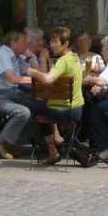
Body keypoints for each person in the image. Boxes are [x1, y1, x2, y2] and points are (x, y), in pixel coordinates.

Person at [25, 26, 84, 164]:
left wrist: (33, 72)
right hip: (77, 109)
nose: (51, 45)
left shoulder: (63, 61)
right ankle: (55, 138)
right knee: (41, 108)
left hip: (63, 111)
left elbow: (48, 79)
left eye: (55, 42)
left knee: (31, 106)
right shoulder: (74, 58)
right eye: (51, 42)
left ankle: (52, 149)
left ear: (66, 44)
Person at [0, 29, 38, 160]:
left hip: (8, 93)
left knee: (39, 106)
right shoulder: (2, 55)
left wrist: (32, 59)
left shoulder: (17, 57)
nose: (26, 45)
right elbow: (13, 79)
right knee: (23, 112)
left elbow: (33, 72)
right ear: (13, 43)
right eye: (24, 42)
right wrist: (40, 80)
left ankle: (11, 142)